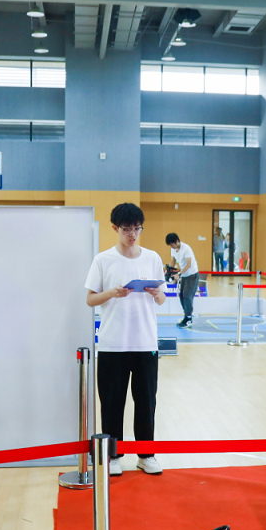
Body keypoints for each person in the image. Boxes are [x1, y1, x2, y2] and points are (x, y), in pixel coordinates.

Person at [85, 203, 166, 476]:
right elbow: (90, 299)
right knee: (111, 403)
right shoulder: (103, 259)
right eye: (127, 229)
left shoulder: (152, 258)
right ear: (115, 228)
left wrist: (156, 293)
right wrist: (112, 293)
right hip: (113, 344)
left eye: (137, 229)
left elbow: (162, 298)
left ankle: (146, 455)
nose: (132, 234)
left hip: (145, 343)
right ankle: (112, 457)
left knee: (146, 403)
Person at [165, 232, 199, 329]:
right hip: (184, 275)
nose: (171, 247)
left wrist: (178, 274)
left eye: (172, 244)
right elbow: (172, 262)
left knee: (187, 296)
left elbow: (188, 265)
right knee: (182, 297)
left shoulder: (186, 249)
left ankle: (189, 318)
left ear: (177, 241)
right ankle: (187, 316)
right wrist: (168, 271)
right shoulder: (173, 249)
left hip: (192, 274)